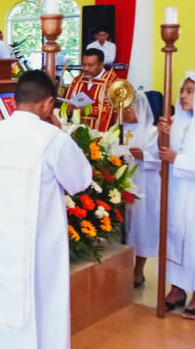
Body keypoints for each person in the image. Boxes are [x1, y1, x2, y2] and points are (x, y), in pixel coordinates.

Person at [0, 70, 92, 348]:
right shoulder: (52, 139)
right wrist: (60, 131)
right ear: (48, 104)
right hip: (40, 247)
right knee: (43, 310)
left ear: (15, 100)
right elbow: (79, 181)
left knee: (0, 308)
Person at [159, 73, 195, 319]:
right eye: (182, 90)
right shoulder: (177, 120)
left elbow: (175, 157)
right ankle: (177, 289)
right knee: (174, 235)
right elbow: (160, 153)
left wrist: (177, 159)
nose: (183, 96)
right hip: (176, 189)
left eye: (190, 91)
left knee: (192, 239)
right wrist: (163, 133)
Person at [122, 91, 161, 288]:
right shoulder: (117, 129)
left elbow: (162, 161)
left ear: (141, 108)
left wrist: (144, 156)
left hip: (145, 183)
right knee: (125, 227)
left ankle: (139, 271)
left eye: (130, 107)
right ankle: (123, 269)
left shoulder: (152, 132)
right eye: (124, 106)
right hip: (123, 182)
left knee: (142, 226)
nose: (125, 110)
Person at [64, 48, 119, 131]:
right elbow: (66, 107)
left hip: (102, 134)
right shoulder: (77, 81)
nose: (86, 68)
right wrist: (71, 108)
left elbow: (116, 112)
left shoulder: (113, 84)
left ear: (101, 65)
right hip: (77, 132)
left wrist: (89, 109)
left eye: (90, 65)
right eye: (84, 65)